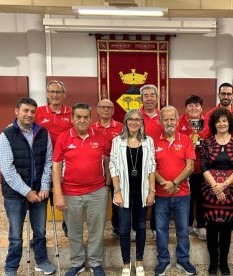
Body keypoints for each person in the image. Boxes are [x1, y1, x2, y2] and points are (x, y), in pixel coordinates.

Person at [0, 97, 56, 276]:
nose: (29, 114)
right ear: (17, 111)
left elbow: (48, 162)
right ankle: (11, 268)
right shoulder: (6, 135)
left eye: (32, 111)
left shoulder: (43, 133)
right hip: (15, 195)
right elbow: (7, 168)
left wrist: (45, 186)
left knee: (40, 231)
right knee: (15, 236)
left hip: (39, 191)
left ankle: (42, 261)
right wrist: (26, 192)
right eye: (25, 111)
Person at [53, 103, 110, 276]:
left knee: (97, 230)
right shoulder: (63, 138)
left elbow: (107, 163)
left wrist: (107, 186)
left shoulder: (100, 137)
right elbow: (56, 167)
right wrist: (58, 194)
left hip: (97, 192)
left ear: (91, 119)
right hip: (70, 193)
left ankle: (95, 263)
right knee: (74, 231)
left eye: (86, 117)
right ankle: (77, 263)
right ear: (72, 119)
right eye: (78, 117)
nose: (82, 120)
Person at [109, 109, 156, 276]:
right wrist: (117, 191)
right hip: (123, 192)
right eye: (131, 119)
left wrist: (152, 191)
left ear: (142, 122)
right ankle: (126, 264)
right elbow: (113, 167)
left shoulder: (148, 141)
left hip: (142, 191)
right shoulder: (117, 141)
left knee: (142, 227)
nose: (134, 122)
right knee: (123, 229)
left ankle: (139, 262)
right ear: (126, 121)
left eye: (138, 119)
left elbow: (152, 167)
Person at [200, 108, 233, 276]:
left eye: (225, 120)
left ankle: (224, 262)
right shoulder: (207, 141)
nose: (221, 123)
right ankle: (213, 262)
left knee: (226, 229)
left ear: (230, 123)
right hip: (210, 190)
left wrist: (224, 185)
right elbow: (203, 165)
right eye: (218, 121)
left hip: (230, 190)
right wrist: (215, 186)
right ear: (214, 123)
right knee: (211, 228)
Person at [153, 106, 197, 276]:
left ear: (177, 121)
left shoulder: (186, 139)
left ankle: (183, 260)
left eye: (172, 119)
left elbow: (190, 166)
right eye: (166, 119)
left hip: (182, 194)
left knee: (183, 229)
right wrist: (165, 183)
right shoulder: (153, 141)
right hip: (161, 194)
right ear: (160, 121)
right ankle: (163, 261)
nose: (169, 122)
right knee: (161, 229)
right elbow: (151, 167)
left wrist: (174, 182)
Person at [204, 83, 233, 232]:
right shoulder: (210, 113)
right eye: (223, 94)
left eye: (229, 94)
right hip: (215, 157)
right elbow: (208, 135)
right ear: (219, 95)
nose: (226, 96)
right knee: (214, 190)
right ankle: (213, 219)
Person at [36, 80, 72, 238]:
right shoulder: (38, 112)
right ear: (47, 94)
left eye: (58, 92)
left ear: (64, 95)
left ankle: (68, 226)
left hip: (65, 163)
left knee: (66, 195)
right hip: (42, 162)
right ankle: (38, 233)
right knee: (41, 196)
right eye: (52, 92)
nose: (55, 95)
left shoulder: (72, 113)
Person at [177, 95, 208, 240]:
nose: (194, 108)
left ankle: (202, 225)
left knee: (201, 197)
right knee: (186, 198)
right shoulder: (179, 122)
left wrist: (201, 143)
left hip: (202, 167)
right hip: (184, 167)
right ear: (185, 108)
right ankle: (187, 225)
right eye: (190, 105)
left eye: (197, 105)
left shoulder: (207, 122)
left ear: (201, 108)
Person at [92, 99, 123, 238]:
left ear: (113, 111)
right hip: (96, 171)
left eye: (109, 108)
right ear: (97, 109)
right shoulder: (91, 128)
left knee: (117, 199)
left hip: (117, 171)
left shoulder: (121, 128)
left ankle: (117, 227)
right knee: (97, 202)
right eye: (103, 107)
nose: (106, 110)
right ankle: (96, 230)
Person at [139, 84, 162, 240]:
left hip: (161, 162)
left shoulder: (164, 115)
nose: (149, 99)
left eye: (152, 95)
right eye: (146, 96)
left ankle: (155, 227)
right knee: (140, 195)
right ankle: (138, 228)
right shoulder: (135, 116)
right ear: (141, 99)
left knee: (158, 196)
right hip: (140, 162)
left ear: (157, 97)